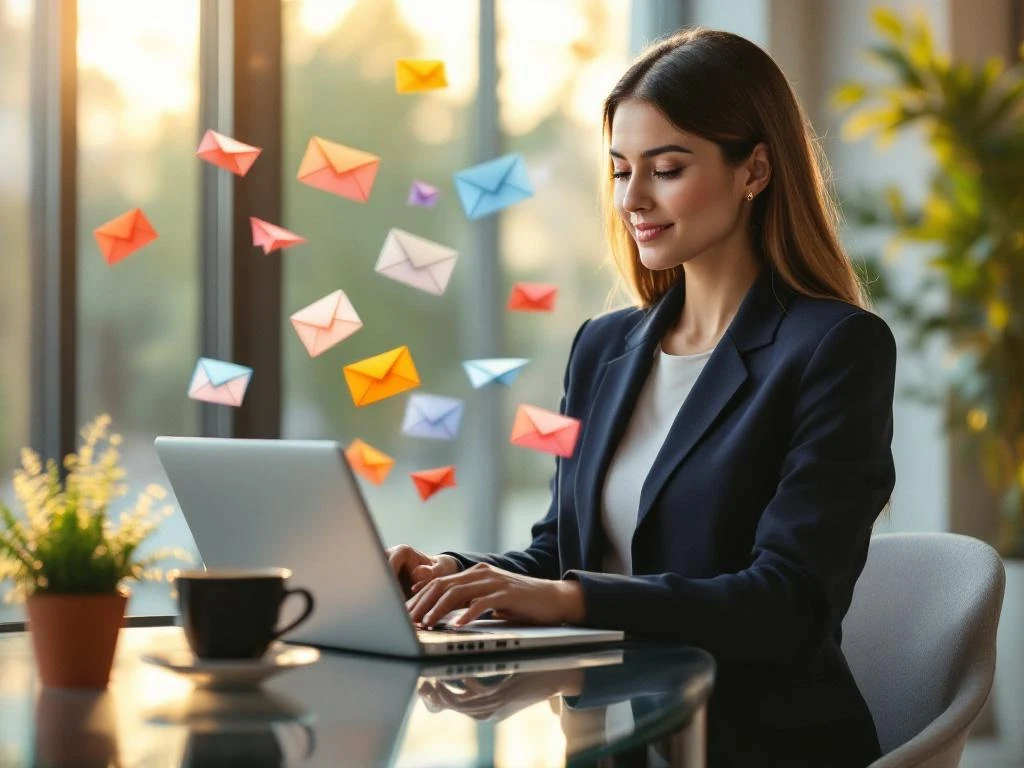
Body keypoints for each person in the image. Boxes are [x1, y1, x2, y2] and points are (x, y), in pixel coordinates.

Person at [388, 27, 895, 766]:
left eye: (666, 168)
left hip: (755, 747)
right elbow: (563, 549)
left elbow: (787, 605)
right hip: (607, 740)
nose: (634, 198)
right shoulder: (603, 347)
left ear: (754, 170)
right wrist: (460, 578)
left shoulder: (834, 347)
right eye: (622, 170)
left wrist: (568, 599)